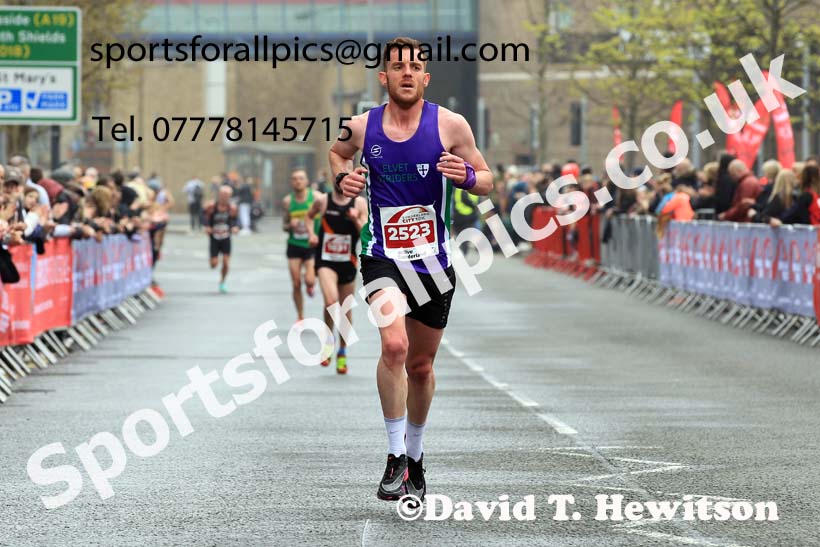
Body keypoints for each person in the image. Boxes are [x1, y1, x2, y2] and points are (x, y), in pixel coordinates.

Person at [331, 36, 492, 502]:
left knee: (421, 367)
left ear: (425, 76)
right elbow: (337, 155)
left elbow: (487, 180)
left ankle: (416, 457)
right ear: (383, 77)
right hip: (383, 258)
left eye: (414, 66)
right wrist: (344, 178)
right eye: (397, 66)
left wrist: (465, 176)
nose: (406, 72)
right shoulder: (361, 126)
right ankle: (394, 454)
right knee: (395, 347)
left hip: (435, 264)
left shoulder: (451, 125)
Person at [305, 178, 368, 374]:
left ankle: (342, 350)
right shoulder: (323, 201)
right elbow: (309, 217)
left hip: (347, 261)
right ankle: (328, 342)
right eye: (339, 180)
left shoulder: (359, 203)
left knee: (345, 308)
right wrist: (311, 234)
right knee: (331, 302)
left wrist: (356, 219)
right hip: (325, 260)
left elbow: (365, 233)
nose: (342, 184)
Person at [282, 168, 320, 324]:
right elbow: (283, 226)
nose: (298, 181)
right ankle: (300, 316)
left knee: (310, 280)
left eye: (301, 178)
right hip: (294, 244)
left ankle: (310, 285)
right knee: (296, 282)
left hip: (311, 244)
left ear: (306, 181)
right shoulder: (287, 201)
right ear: (291, 182)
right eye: (294, 179)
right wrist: (290, 225)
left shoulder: (316, 198)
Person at [203, 185, 239, 293]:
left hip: (226, 237)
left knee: (226, 262)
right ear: (219, 195)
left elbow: (236, 220)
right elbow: (204, 216)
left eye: (227, 195)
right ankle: (213, 259)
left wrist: (235, 227)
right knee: (214, 264)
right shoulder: (211, 206)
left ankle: (222, 281)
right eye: (223, 194)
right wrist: (207, 226)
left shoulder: (232, 208)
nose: (224, 197)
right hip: (214, 237)